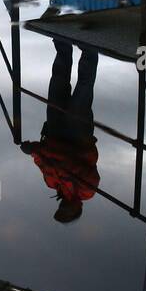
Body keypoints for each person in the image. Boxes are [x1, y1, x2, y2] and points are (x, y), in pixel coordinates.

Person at [21, 38, 99, 222]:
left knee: (58, 82)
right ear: (76, 210)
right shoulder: (87, 191)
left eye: (60, 211)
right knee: (83, 89)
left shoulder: (51, 183)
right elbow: (71, 164)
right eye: (66, 213)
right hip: (78, 137)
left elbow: (43, 162)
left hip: (54, 132)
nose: (62, 208)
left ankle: (63, 44)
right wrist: (40, 152)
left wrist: (33, 152)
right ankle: (90, 49)